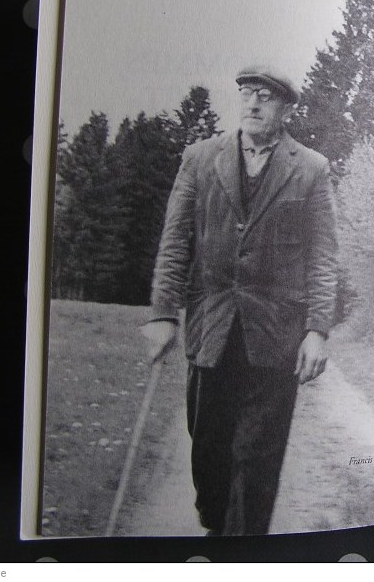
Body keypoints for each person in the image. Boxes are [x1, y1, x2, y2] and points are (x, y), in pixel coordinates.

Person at [141, 65, 337, 535]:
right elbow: (175, 243)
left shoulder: (310, 168)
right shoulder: (200, 158)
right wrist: (163, 313)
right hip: (211, 328)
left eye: (265, 97)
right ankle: (216, 524)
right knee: (208, 452)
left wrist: (317, 329)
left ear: (286, 108)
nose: (253, 104)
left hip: (274, 337)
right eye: (247, 94)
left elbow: (323, 256)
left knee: (256, 460)